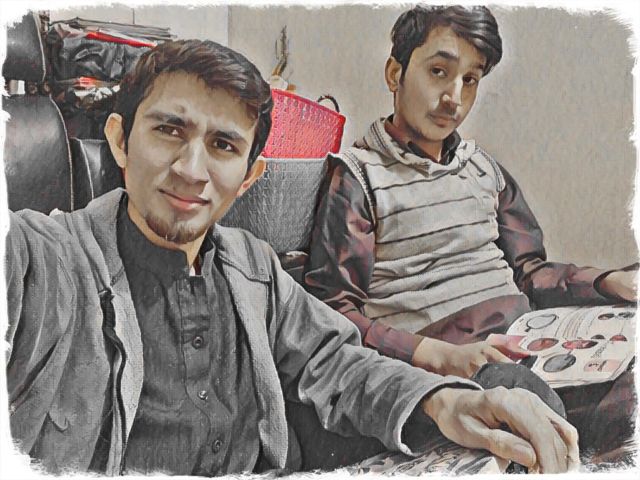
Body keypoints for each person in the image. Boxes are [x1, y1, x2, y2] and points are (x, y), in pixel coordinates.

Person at [4, 39, 578, 476]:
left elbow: (337, 361)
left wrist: (442, 401)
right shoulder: (45, 260)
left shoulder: (252, 265)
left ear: (249, 177)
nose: (191, 170)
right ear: (120, 140)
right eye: (169, 131)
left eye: (223, 145)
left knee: (511, 394)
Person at [303, 4, 637, 380]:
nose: (454, 98)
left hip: (529, 337)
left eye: (470, 80)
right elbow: (333, 311)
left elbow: (529, 271)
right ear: (395, 73)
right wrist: (432, 354)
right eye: (438, 72)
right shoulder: (359, 176)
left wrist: (607, 281)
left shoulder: (482, 168)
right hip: (452, 363)